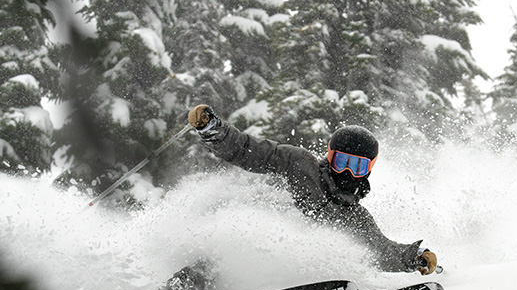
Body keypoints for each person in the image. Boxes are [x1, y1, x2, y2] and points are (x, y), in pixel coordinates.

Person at [187, 104, 437, 272]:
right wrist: (212, 129)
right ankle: (179, 289)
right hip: (247, 231)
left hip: (274, 265)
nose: (348, 172)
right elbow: (246, 150)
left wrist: (415, 257)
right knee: (221, 251)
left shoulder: (356, 218)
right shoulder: (298, 163)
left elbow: (382, 251)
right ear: (330, 157)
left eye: (357, 166)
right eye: (342, 162)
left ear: (369, 169)